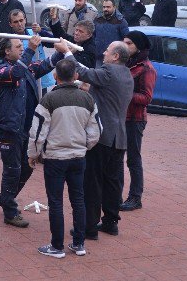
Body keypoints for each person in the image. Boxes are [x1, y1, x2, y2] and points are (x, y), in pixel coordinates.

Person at [55, 40, 134, 240]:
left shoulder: (109, 72)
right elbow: (97, 82)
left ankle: (89, 226)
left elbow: (82, 72)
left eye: (107, 51)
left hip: (102, 137)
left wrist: (67, 53)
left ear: (115, 56)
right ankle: (110, 221)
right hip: (119, 138)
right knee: (112, 181)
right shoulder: (126, 74)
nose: (104, 53)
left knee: (93, 182)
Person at [28, 58, 100, 258]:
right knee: (78, 199)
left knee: (56, 202)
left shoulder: (48, 100)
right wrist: (84, 146)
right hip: (78, 156)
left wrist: (33, 154)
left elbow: (37, 132)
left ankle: (57, 246)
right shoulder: (88, 99)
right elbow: (96, 131)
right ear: (76, 76)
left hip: (55, 158)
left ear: (55, 76)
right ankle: (79, 244)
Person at [0, 35, 55, 228]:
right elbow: (17, 72)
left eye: (22, 47)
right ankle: (10, 211)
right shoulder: (0, 70)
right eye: (18, 46)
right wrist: (30, 50)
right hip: (9, 128)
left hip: (27, 128)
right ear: (7, 51)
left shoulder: (25, 67)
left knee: (27, 166)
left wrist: (61, 52)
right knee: (12, 169)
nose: (22, 48)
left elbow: (45, 66)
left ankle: (5, 197)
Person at [120, 31, 156, 211]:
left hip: (134, 119)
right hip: (119, 117)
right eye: (124, 42)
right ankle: (116, 194)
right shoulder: (126, 63)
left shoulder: (146, 68)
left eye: (129, 43)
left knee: (133, 159)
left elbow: (147, 98)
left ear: (139, 46)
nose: (125, 46)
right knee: (116, 157)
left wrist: (125, 94)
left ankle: (135, 197)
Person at [7, 9, 54, 94]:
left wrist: (41, 31)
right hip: (23, 80)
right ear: (10, 24)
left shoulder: (34, 33)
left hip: (40, 78)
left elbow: (53, 43)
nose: (19, 24)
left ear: (25, 20)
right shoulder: (9, 39)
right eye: (16, 22)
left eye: (21, 20)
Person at [93, 0, 129, 67]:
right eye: (104, 7)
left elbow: (126, 39)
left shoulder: (121, 21)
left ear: (114, 7)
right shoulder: (98, 19)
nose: (105, 9)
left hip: (114, 59)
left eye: (108, 7)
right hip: (99, 58)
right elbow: (93, 36)